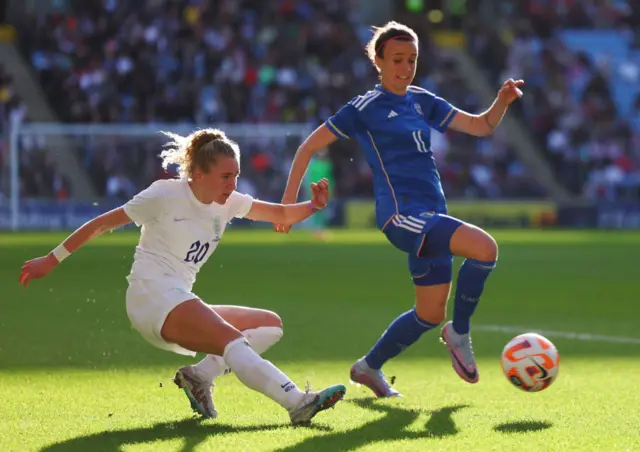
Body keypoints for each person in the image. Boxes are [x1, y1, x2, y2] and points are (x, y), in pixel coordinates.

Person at [19, 128, 346, 423]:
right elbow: (101, 223)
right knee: (232, 341)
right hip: (150, 296)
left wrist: (313, 206)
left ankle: (199, 377)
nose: (233, 185)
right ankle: (297, 403)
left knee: (269, 326)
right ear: (199, 174)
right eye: (225, 177)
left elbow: (279, 213)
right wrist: (51, 259)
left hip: (178, 297)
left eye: (236, 176)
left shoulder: (228, 202)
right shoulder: (164, 195)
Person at [275, 21, 524, 397]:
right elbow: (307, 147)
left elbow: (481, 126)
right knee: (486, 248)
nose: (406, 68)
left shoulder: (422, 100)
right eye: (397, 60)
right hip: (401, 215)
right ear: (378, 61)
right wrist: (286, 207)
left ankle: (368, 367)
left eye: (412, 60)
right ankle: (459, 332)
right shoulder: (364, 108)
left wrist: (501, 102)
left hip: (431, 214)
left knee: (428, 314)